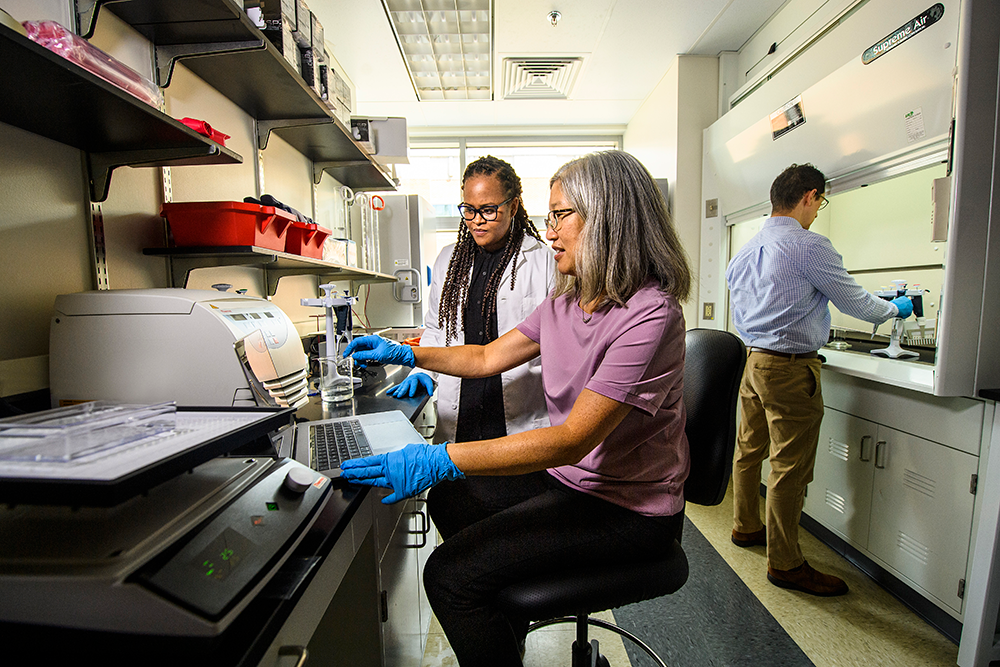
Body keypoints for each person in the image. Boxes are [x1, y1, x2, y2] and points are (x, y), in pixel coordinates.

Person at [341, 150, 691, 666]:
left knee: (448, 576)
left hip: (626, 509)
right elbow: (485, 357)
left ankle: (483, 594)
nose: (549, 232)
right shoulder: (566, 303)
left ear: (608, 217)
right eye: (548, 217)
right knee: (450, 500)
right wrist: (407, 352)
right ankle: (498, 619)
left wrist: (443, 457)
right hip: (571, 481)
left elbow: (573, 438)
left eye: (560, 215)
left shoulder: (650, 315)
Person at [725, 163, 913, 597]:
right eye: (820, 202)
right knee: (790, 467)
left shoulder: (746, 251)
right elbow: (859, 305)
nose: (818, 211)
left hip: (753, 363)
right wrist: (895, 309)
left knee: (749, 451)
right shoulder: (810, 246)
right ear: (809, 196)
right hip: (790, 368)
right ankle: (786, 564)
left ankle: (745, 526)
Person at [387, 156, 555, 443]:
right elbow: (436, 329)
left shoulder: (544, 261)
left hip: (521, 417)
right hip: (459, 415)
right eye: (469, 210)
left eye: (489, 210)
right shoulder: (448, 260)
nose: (477, 220)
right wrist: (425, 371)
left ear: (513, 206)